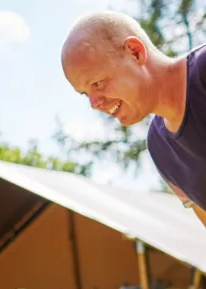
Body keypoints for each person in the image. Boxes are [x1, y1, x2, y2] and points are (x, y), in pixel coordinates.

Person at [60, 11, 206, 229]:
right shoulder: (160, 148)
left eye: (98, 83)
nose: (94, 103)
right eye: (85, 94)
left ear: (135, 52)